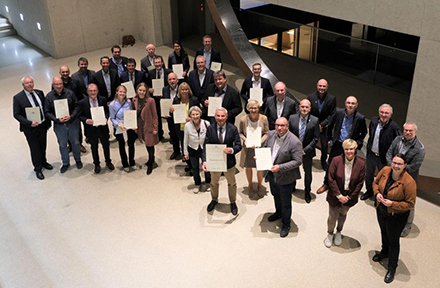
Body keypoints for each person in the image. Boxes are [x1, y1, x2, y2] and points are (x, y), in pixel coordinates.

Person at [373, 154, 417, 284]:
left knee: (393, 240)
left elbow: (410, 204)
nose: (396, 166)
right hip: (381, 210)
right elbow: (375, 182)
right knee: (383, 232)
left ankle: (392, 267)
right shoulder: (386, 170)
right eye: (394, 162)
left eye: (399, 164)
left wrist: (393, 204)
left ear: (405, 166)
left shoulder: (409, 182)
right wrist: (377, 194)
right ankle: (384, 252)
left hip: (396, 216)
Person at [316, 96, 367, 194]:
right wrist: (330, 139)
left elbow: (363, 132)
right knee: (331, 164)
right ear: (345, 103)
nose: (350, 105)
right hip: (338, 144)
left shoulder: (360, 118)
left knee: (347, 166)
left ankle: (342, 186)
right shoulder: (339, 113)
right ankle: (326, 183)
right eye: (348, 103)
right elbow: (330, 126)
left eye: (352, 103)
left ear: (356, 105)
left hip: (350, 147)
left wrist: (358, 144)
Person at [262, 117, 303, 237]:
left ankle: (286, 224)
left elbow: (297, 161)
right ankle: (278, 213)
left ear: (287, 126)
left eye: (282, 125)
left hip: (285, 177)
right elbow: (265, 148)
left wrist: (280, 167)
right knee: (275, 195)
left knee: (285, 202)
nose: (279, 128)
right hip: (271, 173)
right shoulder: (271, 134)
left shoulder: (295, 141)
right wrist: (260, 157)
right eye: (277, 125)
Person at [324, 139, 365, 248]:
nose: (349, 151)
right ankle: (330, 233)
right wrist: (339, 195)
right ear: (343, 149)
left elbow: (360, 183)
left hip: (349, 196)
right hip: (335, 194)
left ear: (355, 149)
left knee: (342, 214)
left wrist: (349, 197)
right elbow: (331, 179)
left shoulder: (361, 164)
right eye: (347, 149)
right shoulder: (335, 160)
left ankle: (339, 232)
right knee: (332, 217)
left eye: (351, 149)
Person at [386, 122, 424, 237]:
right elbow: (389, 153)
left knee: (408, 203)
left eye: (410, 131)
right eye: (406, 130)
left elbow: (414, 166)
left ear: (415, 132)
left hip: (408, 179)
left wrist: (398, 169)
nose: (407, 132)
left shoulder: (419, 148)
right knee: (393, 196)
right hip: (393, 175)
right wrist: (392, 168)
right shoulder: (398, 139)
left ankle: (407, 225)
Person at [202, 108, 242, 215]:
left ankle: (233, 202)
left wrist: (232, 150)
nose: (220, 118)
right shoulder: (210, 128)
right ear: (215, 116)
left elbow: (239, 145)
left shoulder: (233, 128)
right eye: (218, 116)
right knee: (214, 183)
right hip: (214, 162)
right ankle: (214, 199)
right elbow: (206, 145)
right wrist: (205, 161)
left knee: (232, 183)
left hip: (229, 162)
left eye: (222, 116)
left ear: (226, 117)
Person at [13, 76, 53, 180]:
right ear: (23, 85)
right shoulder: (18, 98)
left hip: (42, 125)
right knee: (34, 148)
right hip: (30, 128)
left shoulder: (39, 93)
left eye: (31, 82)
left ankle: (44, 162)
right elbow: (16, 114)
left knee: (43, 145)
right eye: (27, 83)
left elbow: (45, 108)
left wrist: (48, 122)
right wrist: (29, 123)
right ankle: (38, 168)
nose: (29, 84)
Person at [361, 104, 401, 200]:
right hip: (371, 154)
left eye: (386, 113)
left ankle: (379, 195)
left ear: (390, 114)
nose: (383, 115)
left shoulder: (394, 127)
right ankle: (369, 191)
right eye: (382, 112)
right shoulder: (374, 121)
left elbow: (398, 143)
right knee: (369, 174)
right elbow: (371, 134)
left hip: (384, 157)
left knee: (383, 177)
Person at [44, 77, 82, 173]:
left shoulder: (70, 93)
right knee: (62, 145)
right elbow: (47, 112)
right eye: (56, 84)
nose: (59, 86)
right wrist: (56, 119)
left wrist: (71, 116)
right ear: (53, 85)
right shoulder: (49, 97)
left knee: (76, 143)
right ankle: (65, 163)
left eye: (60, 84)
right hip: (59, 125)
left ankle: (78, 160)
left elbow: (77, 106)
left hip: (72, 123)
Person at [77, 83, 115, 173]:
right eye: (90, 91)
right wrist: (86, 121)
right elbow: (80, 115)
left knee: (106, 146)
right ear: (87, 92)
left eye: (94, 90)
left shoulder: (102, 99)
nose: (93, 92)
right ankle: (97, 164)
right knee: (94, 147)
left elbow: (107, 111)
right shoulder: (83, 102)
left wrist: (106, 118)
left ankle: (108, 161)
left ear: (97, 91)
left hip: (102, 127)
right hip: (91, 129)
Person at [288, 99, 320, 203]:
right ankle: (292, 187)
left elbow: (315, 138)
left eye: (306, 107)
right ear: (299, 107)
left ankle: (307, 192)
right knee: (292, 170)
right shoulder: (292, 118)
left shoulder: (315, 120)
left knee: (308, 173)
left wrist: (304, 151)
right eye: (302, 107)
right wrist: (295, 150)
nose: (304, 109)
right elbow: (289, 135)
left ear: (310, 109)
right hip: (293, 151)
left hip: (307, 152)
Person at [238, 100, 269, 198]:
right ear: (248, 109)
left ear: (258, 108)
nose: (253, 110)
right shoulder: (243, 119)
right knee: (248, 167)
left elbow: (267, 133)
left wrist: (260, 141)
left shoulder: (264, 118)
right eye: (251, 108)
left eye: (255, 108)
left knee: (259, 168)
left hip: (260, 147)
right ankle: (250, 185)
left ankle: (260, 185)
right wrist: (245, 139)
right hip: (248, 148)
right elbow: (240, 133)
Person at [170, 83, 200, 172]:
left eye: (186, 89)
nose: (184, 91)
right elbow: (173, 116)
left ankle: (194, 165)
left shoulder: (194, 100)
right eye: (182, 89)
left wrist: (192, 118)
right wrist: (171, 111)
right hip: (180, 127)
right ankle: (188, 163)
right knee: (184, 145)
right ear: (179, 91)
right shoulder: (176, 100)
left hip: (192, 127)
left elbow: (199, 113)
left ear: (189, 90)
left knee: (192, 146)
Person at [307, 79, 336, 170]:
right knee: (310, 143)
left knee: (324, 145)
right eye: (320, 86)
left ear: (327, 87)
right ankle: (309, 159)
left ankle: (323, 161)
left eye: (324, 86)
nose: (322, 88)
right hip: (312, 125)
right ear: (317, 86)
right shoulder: (311, 97)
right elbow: (308, 112)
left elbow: (332, 114)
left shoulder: (331, 99)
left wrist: (322, 125)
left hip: (325, 127)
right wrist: (315, 124)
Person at [132, 83, 159, 175]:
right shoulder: (134, 100)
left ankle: (151, 162)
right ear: (137, 90)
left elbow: (155, 115)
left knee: (150, 144)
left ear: (146, 91)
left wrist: (156, 127)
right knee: (146, 143)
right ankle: (151, 159)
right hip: (140, 125)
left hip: (149, 125)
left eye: (144, 90)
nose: (142, 92)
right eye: (140, 90)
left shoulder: (151, 100)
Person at [109, 85, 137, 172]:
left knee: (131, 144)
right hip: (119, 127)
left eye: (124, 92)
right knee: (122, 146)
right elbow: (112, 118)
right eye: (120, 92)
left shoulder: (128, 102)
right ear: (117, 92)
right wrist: (118, 125)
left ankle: (132, 161)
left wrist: (133, 124)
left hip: (128, 126)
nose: (122, 93)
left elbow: (131, 113)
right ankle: (125, 163)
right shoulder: (112, 104)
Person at [183, 106, 211, 193]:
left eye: (197, 114)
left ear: (200, 114)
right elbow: (185, 140)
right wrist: (185, 153)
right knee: (195, 167)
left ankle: (208, 183)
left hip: (204, 148)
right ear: (190, 115)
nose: (195, 116)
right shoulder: (187, 126)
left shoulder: (206, 123)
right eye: (193, 114)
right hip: (193, 148)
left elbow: (210, 137)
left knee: (206, 167)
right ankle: (197, 183)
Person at [148, 55, 173, 141]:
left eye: (159, 62)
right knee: (157, 116)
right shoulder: (150, 73)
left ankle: (172, 136)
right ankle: (160, 135)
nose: (157, 64)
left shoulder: (169, 72)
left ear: (162, 63)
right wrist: (149, 89)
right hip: (155, 99)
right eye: (156, 63)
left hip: (166, 98)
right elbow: (147, 84)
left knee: (169, 117)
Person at [162, 72, 180, 159]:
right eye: (170, 79)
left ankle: (185, 153)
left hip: (180, 116)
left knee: (182, 134)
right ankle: (176, 151)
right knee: (173, 134)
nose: (172, 81)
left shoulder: (182, 88)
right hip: (169, 116)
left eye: (173, 79)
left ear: (177, 80)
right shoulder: (164, 89)